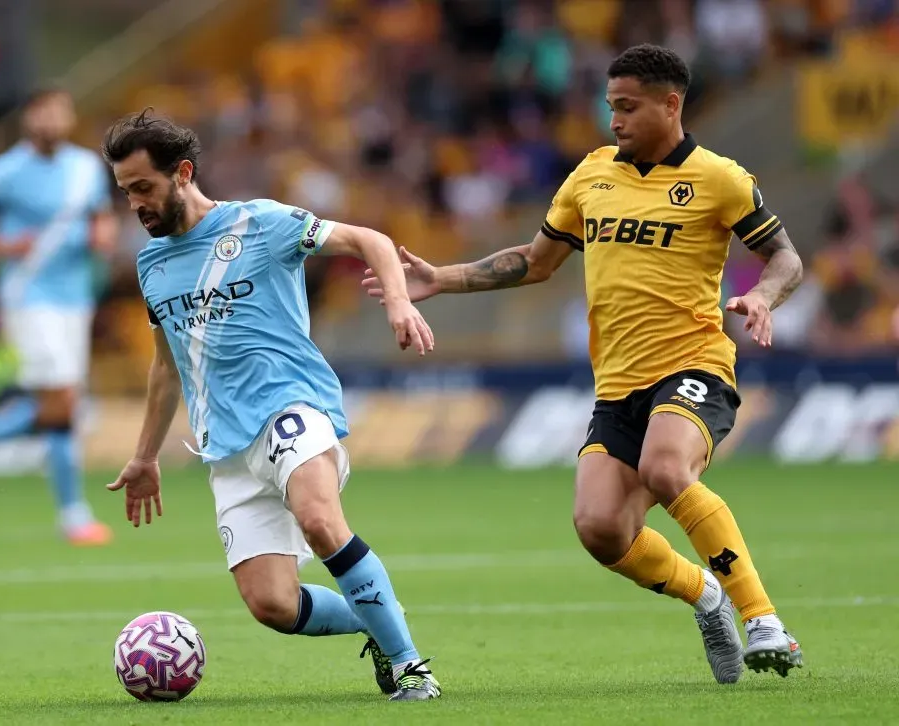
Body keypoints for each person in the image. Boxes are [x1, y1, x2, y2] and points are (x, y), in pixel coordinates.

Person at [363, 44, 805, 683]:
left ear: (670, 103)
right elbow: (536, 262)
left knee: (665, 466)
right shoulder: (592, 175)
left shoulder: (720, 179)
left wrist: (763, 297)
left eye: (627, 107)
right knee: (600, 527)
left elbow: (786, 257)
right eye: (610, 107)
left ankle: (764, 620)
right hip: (617, 385)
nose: (614, 120)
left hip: (694, 364)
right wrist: (444, 278)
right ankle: (706, 598)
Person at [101, 109, 441, 702]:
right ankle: (382, 622)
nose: (135, 205)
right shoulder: (151, 264)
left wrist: (396, 302)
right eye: (126, 193)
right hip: (226, 450)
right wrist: (145, 456)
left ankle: (411, 667)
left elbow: (370, 239)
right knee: (273, 605)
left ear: (182, 173)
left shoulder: (259, 224)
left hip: (291, 408)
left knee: (318, 518)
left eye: (143, 188)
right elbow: (165, 364)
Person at [0, 87, 117, 546]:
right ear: (29, 119)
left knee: (63, 405)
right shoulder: (4, 172)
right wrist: (4, 247)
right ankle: (74, 516)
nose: (51, 121)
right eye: (43, 113)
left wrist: (102, 236)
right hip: (29, 296)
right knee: (63, 401)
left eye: (59, 113)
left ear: (68, 118)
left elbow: (100, 216)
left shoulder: (85, 168)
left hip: (75, 297)